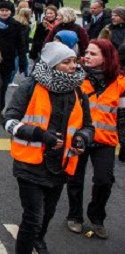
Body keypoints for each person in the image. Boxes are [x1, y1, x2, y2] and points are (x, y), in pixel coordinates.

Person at [3, 42, 93, 254]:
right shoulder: (31, 85)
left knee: (47, 214)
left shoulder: (79, 90)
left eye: (74, 60)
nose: (73, 66)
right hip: (30, 164)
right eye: (66, 62)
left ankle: (38, 240)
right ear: (52, 65)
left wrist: (82, 138)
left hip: (60, 165)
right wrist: (39, 134)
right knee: (33, 216)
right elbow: (9, 121)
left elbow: (88, 126)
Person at [66, 40, 125, 239]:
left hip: (105, 140)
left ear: (106, 58)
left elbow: (123, 115)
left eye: (93, 54)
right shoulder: (75, 77)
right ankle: (74, 216)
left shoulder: (120, 83)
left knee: (104, 180)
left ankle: (97, 216)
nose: (86, 56)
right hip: (79, 137)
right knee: (75, 178)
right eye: (86, 53)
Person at [0, 1, 27, 124]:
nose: (4, 13)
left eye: (6, 10)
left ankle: (0, 109)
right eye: (2, 10)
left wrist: (23, 61)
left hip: (9, 60)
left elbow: (21, 45)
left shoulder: (16, 25)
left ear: (11, 12)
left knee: (4, 87)